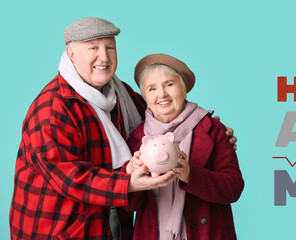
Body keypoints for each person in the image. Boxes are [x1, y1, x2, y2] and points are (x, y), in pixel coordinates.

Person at [9, 17, 236, 240]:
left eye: (110, 47)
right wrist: (128, 183)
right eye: (93, 48)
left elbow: (162, 112)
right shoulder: (52, 108)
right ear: (71, 54)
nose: (104, 57)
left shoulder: (122, 95)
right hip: (59, 227)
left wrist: (209, 129)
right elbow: (70, 178)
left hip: (111, 223)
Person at [122, 53, 244, 240]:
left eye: (169, 84)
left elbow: (233, 188)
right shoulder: (138, 138)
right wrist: (130, 176)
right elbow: (130, 206)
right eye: (152, 88)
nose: (162, 94)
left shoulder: (212, 129)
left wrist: (190, 174)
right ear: (145, 97)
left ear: (184, 89)